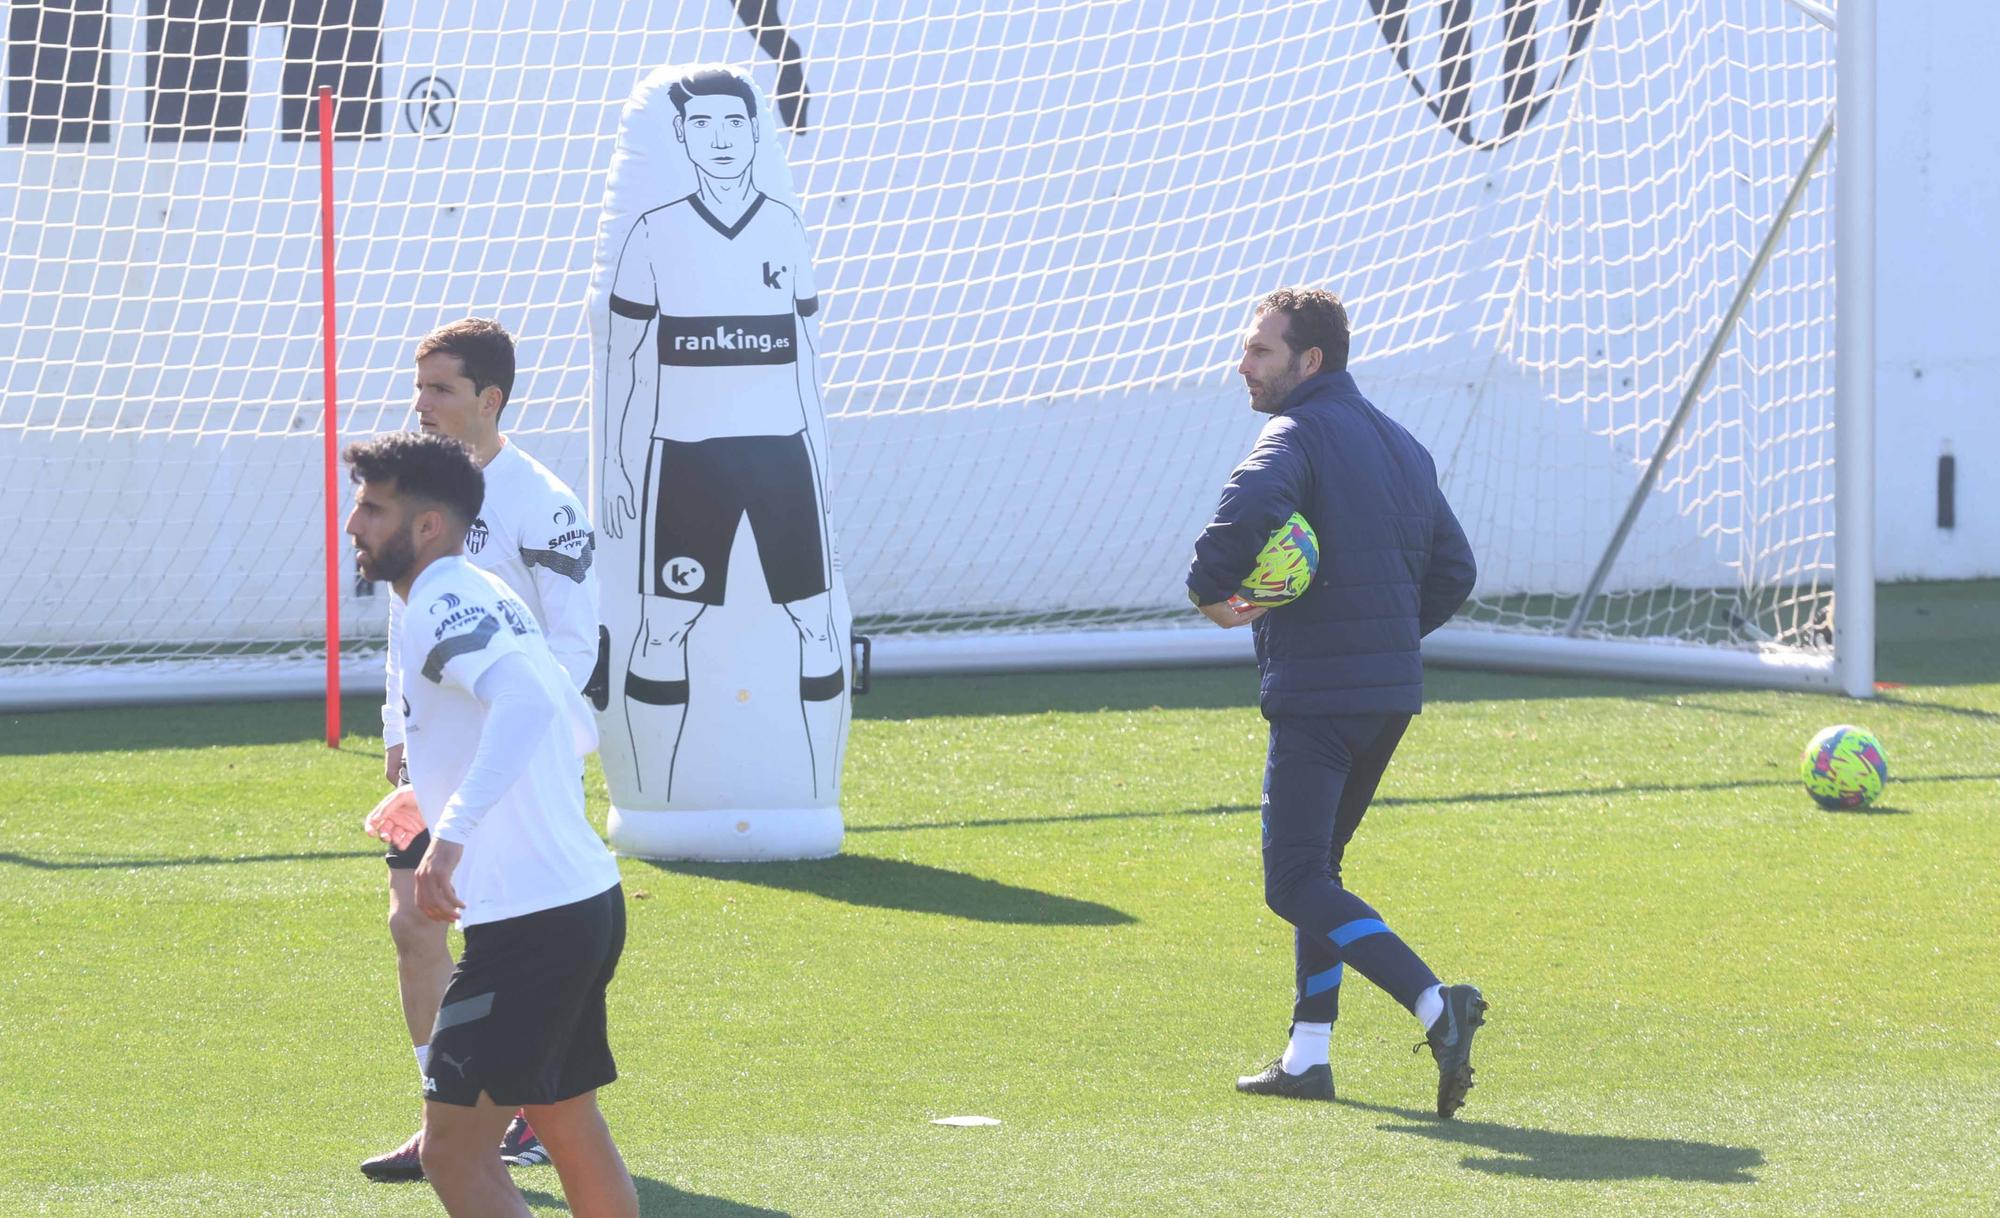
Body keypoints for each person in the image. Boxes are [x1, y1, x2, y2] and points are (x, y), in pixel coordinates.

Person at [1186, 288, 1486, 1118]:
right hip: (1385, 693)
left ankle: (1435, 1005)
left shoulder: (1295, 432)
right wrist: (1383, 635)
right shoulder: (1401, 443)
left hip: (1321, 695)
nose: (1242, 365)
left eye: (1259, 352)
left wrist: (1214, 592)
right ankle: (1307, 1056)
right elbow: (1455, 572)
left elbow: (1245, 511)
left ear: (1308, 361)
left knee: (1292, 881)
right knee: (1320, 872)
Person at [344, 431, 637, 1218]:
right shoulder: (480, 587)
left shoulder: (440, 600)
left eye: (373, 508)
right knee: (567, 1122)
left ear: (430, 526)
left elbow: (532, 704)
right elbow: (569, 723)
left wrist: (455, 831)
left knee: (450, 1152)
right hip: (582, 902)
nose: (354, 525)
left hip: (531, 930)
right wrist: (434, 797)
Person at [366, 318, 602, 1179]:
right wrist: (401, 732)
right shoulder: (418, 488)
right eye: (418, 385)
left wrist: (541, 754)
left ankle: (526, 1113)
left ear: (489, 399)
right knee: (413, 925)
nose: (420, 404)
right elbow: (408, 620)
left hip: (512, 766)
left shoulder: (543, 503)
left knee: (517, 933)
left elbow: (576, 646)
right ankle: (446, 1114)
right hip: (437, 766)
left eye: (439, 389)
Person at [602, 65, 845, 802]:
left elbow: (803, 357)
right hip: (689, 463)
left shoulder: (783, 226)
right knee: (665, 626)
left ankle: (813, 796)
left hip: (781, 458)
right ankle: (657, 802)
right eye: (702, 125)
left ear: (755, 132)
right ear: (681, 136)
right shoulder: (654, 231)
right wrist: (617, 466)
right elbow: (624, 359)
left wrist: (822, 461)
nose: (720, 138)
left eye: (733, 123)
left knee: (814, 621)